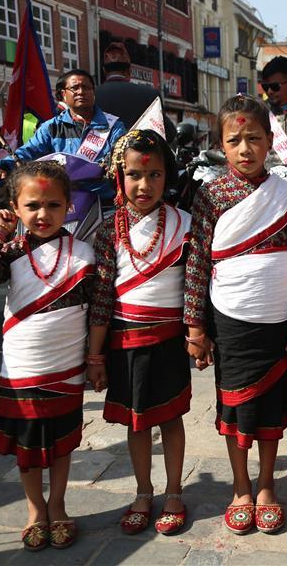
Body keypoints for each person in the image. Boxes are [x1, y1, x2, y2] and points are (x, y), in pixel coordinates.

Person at [184, 95, 287, 535]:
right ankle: (240, 487)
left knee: (270, 405)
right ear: (221, 143)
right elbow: (198, 262)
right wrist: (196, 326)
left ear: (270, 141)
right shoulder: (211, 194)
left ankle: (265, 487)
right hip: (230, 319)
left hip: (276, 318)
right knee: (234, 404)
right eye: (235, 140)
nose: (246, 149)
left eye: (254, 138)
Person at [0, 161, 94, 551]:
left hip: (66, 367)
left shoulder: (83, 253)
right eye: (32, 205)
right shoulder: (10, 250)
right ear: (15, 207)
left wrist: (96, 360)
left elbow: (96, 310)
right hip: (22, 366)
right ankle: (35, 509)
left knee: (63, 441)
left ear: (68, 206)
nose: (42, 214)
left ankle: (59, 504)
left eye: (53, 204)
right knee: (29, 446)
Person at [86, 130, 192, 536]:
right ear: (119, 176)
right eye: (134, 175)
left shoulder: (185, 225)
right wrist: (95, 356)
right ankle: (144, 492)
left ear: (167, 177)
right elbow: (100, 299)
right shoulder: (108, 229)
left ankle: (175, 491)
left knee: (171, 417)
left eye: (154, 175)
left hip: (167, 340)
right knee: (137, 423)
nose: (144, 185)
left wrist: (197, 334)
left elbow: (194, 288)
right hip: (124, 341)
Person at [0, 70, 127, 189]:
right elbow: (28, 151)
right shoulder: (51, 127)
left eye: (86, 87)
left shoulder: (113, 126)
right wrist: (3, 168)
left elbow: (121, 158)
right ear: (63, 94)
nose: (81, 92)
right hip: (63, 199)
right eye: (75, 88)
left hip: (103, 201)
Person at [95, 42, 175, 140]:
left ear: (104, 71)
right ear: (129, 70)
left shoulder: (92, 95)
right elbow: (169, 134)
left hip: (103, 154)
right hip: (141, 153)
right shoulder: (150, 94)